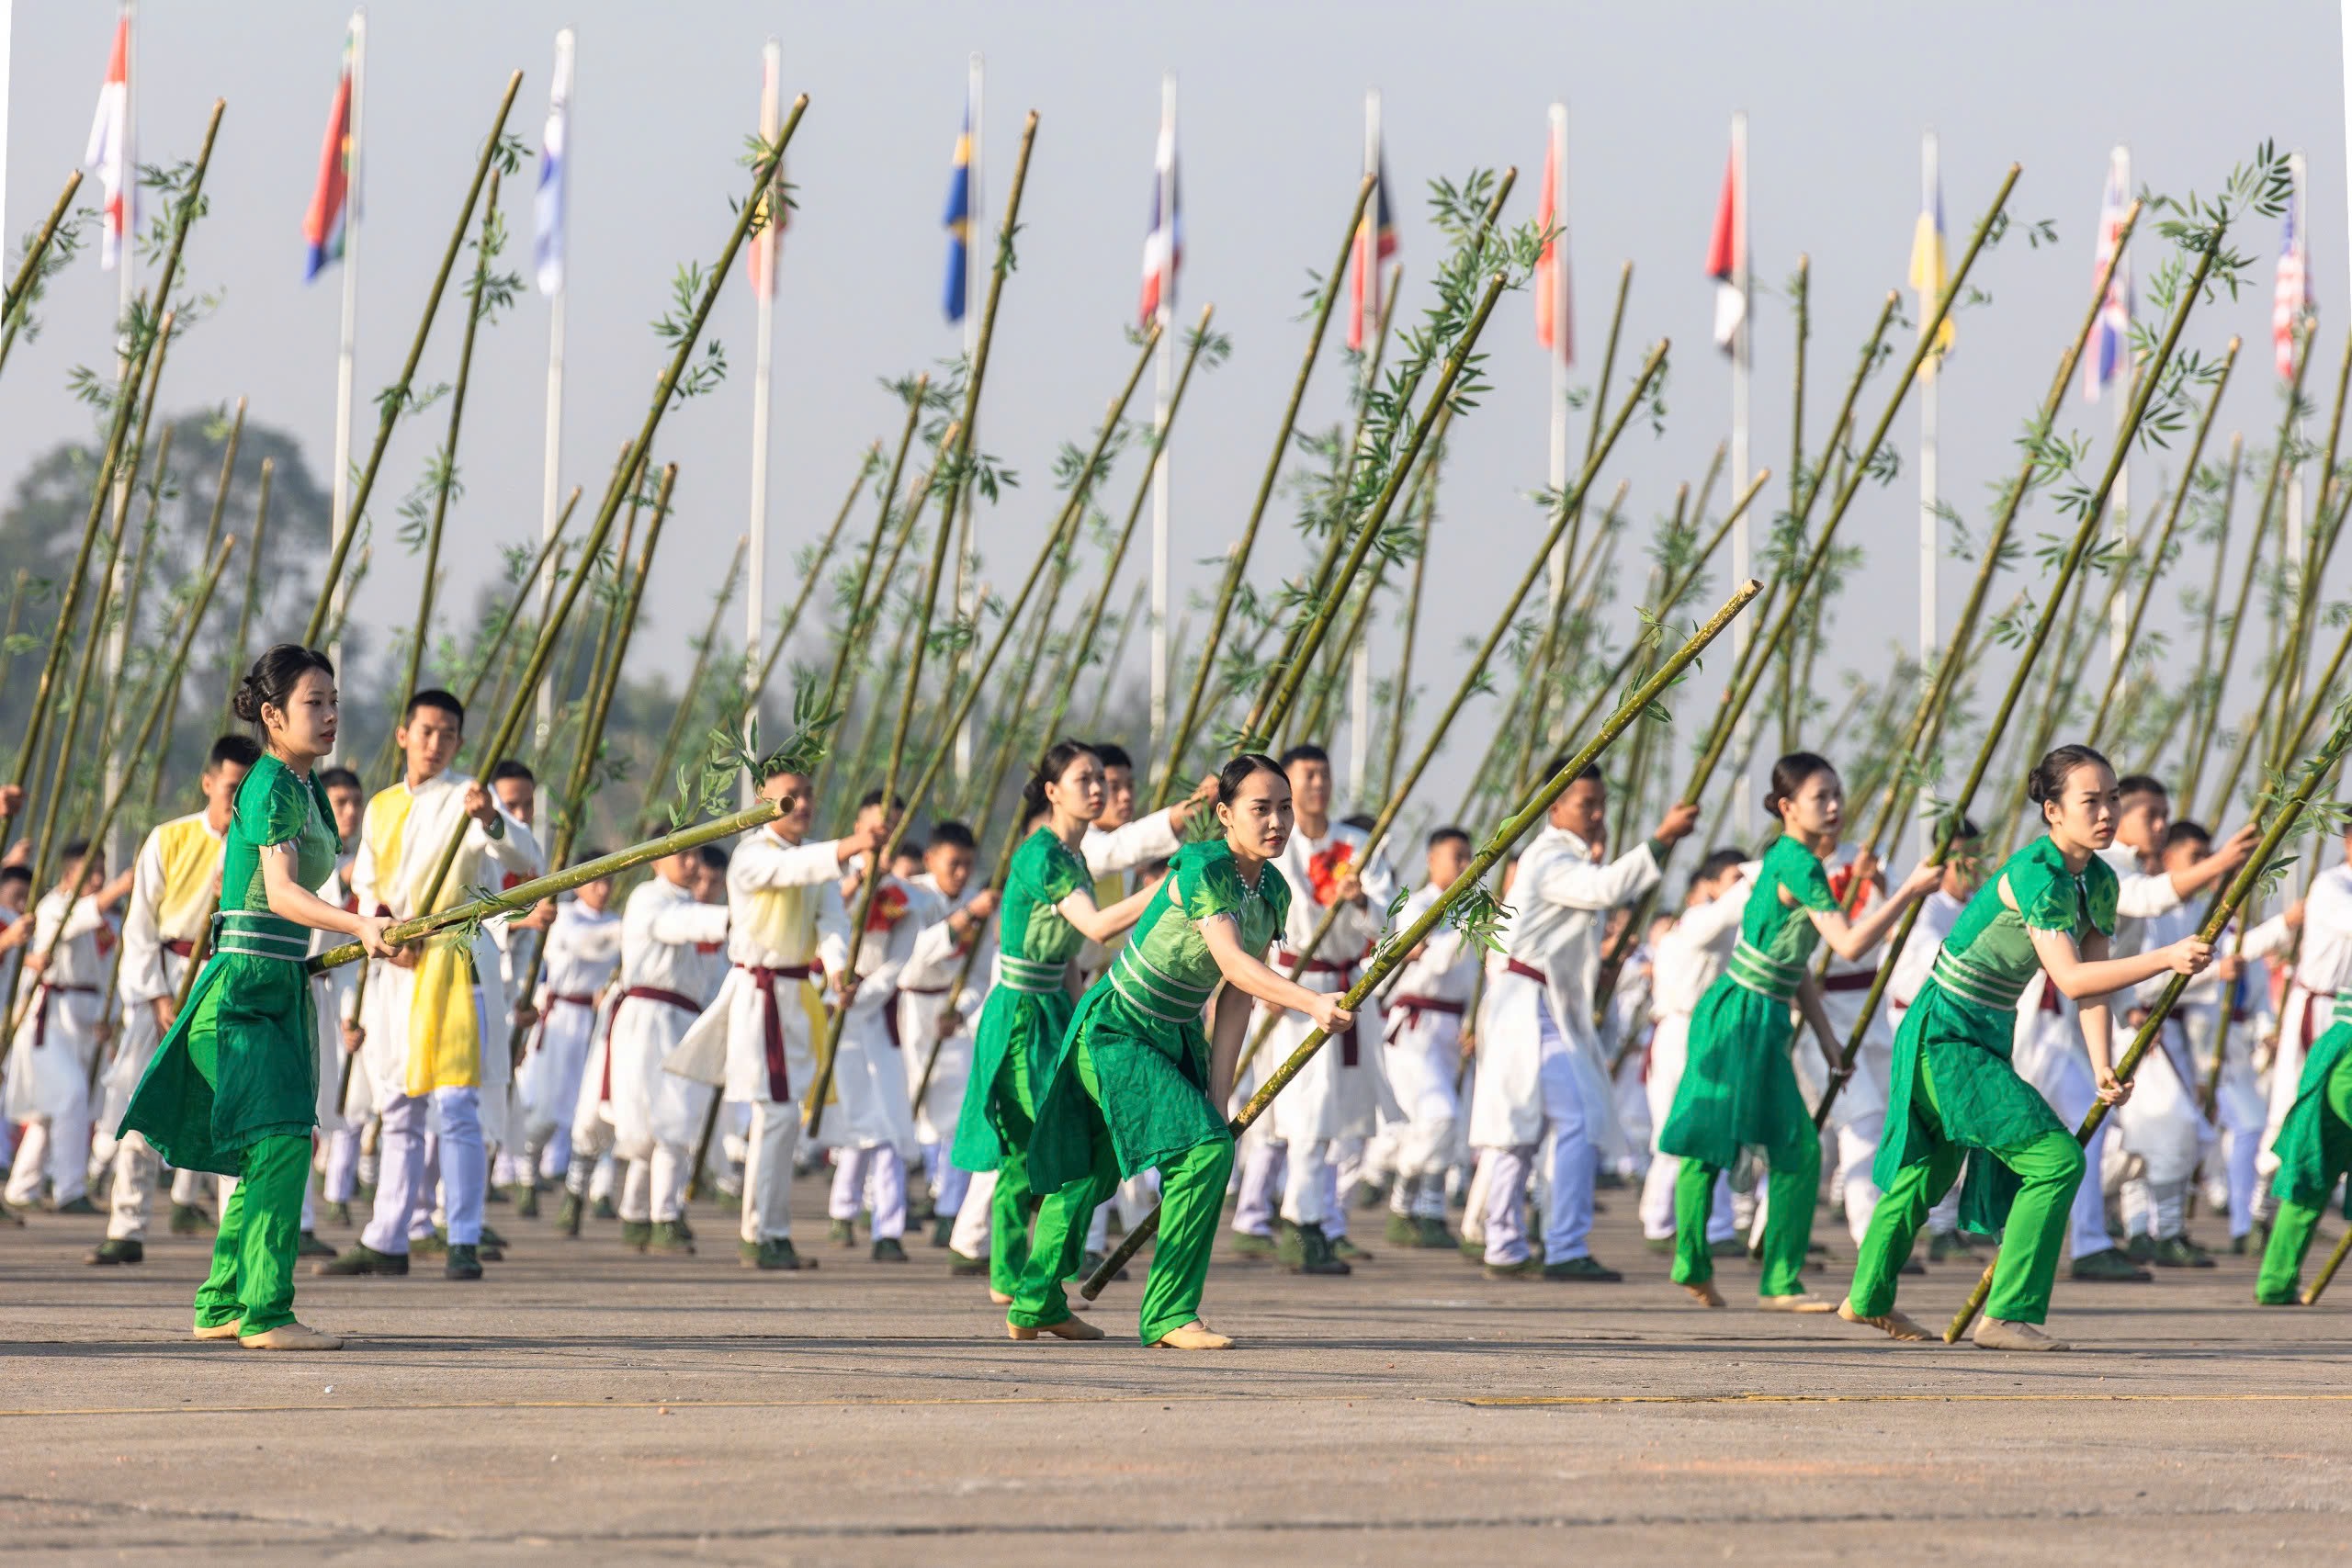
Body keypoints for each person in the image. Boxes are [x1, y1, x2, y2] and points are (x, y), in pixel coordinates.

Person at [1838, 745, 2212, 1350]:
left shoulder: (2099, 880)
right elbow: (2070, 977)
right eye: (2090, 800)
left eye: (2113, 798)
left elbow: (2093, 986)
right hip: (1946, 1033)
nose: (2106, 811)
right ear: (2052, 810)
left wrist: (2101, 1065)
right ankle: (2006, 1314)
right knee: (2057, 1160)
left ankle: (1867, 1298)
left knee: (1927, 1176)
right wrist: (2168, 958)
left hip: (1981, 1035)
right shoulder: (2036, 872)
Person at [1017, 753, 1354, 1348]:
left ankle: (1035, 1301)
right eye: (1260, 809)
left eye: (1284, 808)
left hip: (1172, 1033)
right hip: (1117, 1028)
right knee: (1196, 1156)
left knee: (1100, 1170)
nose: (1276, 821)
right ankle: (1170, 1313)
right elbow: (1232, 962)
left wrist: (1219, 1105)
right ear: (1224, 813)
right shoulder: (1202, 865)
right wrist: (1311, 1003)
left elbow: (1236, 999)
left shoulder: (1273, 888)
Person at [120, 646, 400, 1348]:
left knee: (269, 1146)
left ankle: (220, 1304)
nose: (331, 713)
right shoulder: (272, 783)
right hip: (243, 988)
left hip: (281, 983)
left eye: (335, 700)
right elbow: (278, 893)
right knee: (278, 1140)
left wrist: (372, 917)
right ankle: (267, 1312)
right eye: (315, 702)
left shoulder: (304, 788)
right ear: (272, 716)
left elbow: (304, 898)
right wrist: (360, 924)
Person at [1658, 754, 1941, 1310]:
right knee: (1718, 1140)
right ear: (1787, 807)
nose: (1835, 807)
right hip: (1739, 1013)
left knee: (1793, 1147)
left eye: (1837, 795)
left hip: (1763, 1012)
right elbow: (1850, 945)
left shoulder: (1793, 860)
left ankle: (1769, 1278)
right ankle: (1712, 1265)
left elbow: (1797, 967)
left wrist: (1829, 1041)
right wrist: (1908, 891)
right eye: (1821, 798)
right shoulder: (1797, 864)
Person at [318, 689, 541, 1281]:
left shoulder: (468, 800)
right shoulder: (384, 807)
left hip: (453, 966)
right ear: (403, 735)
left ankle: (462, 1234)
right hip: (396, 966)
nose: (435, 743)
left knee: (456, 1105)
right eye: (426, 731)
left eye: (447, 734)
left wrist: (490, 818)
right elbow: (365, 883)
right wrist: (383, 920)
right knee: (398, 1104)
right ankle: (388, 1235)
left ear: (459, 743)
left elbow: (529, 855)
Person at [1467, 762, 1698, 1280]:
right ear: (1554, 808)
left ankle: (1507, 1245)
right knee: (1567, 1119)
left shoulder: (1567, 858)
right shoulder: (1548, 856)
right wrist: (1661, 839)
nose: (1595, 816)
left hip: (1539, 1005)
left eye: (1600, 805)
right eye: (1583, 805)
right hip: (1525, 1007)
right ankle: (1561, 1244)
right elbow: (1605, 890)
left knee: (1522, 1128)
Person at [949, 743, 1155, 1307]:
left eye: (1101, 781)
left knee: (1050, 1142)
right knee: (1043, 1142)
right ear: (1051, 791)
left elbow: (1068, 960)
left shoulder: (1075, 857)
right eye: (1084, 779)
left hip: (1051, 1006)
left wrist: (1077, 1023)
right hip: (1017, 1014)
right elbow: (1095, 928)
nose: (1098, 790)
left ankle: (1018, 1278)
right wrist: (1164, 888)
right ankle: (1029, 1283)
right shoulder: (1041, 856)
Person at [662, 770, 873, 1268]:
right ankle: (761, 1233)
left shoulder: (816, 857)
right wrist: (851, 847)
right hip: (760, 997)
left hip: (797, 994)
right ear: (763, 802)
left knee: (783, 1117)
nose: (801, 805)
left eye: (807, 795)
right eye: (789, 797)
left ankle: (769, 1232)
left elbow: (831, 920)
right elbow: (792, 871)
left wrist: (839, 968)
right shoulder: (752, 855)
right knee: (774, 1114)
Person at [86, 737, 261, 1264]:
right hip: (167, 975)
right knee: (144, 1103)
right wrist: (159, 996)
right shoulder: (170, 838)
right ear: (209, 783)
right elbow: (139, 927)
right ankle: (127, 1227)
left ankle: (236, 1242)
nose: (237, 800)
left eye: (247, 790)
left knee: (233, 1110)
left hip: (227, 977)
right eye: (232, 788)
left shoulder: (264, 842)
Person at [1239, 745, 1398, 1275]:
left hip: (1343, 986)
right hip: (1291, 986)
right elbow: (1244, 912)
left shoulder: (1357, 844)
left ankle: (1320, 1222)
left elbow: (1387, 920)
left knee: (1335, 1115)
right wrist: (1259, 974)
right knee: (1306, 1107)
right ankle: (1301, 1221)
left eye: (1324, 775)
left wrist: (1357, 901)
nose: (1317, 785)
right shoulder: (1269, 846)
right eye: (1307, 776)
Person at [2118, 820, 2294, 1264]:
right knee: (2146, 1135)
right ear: (2172, 858)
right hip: (2142, 1028)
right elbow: (2151, 977)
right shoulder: (2148, 904)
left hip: (2179, 1035)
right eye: (2196, 858)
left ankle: (2164, 1230)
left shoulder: (2199, 911)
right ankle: (2142, 1229)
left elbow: (2231, 961)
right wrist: (2220, 969)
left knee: (2174, 1134)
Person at [1638, 849, 1752, 1257]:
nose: (1740, 889)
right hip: (1683, 1031)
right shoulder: (1701, 921)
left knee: (1701, 1127)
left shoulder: (1703, 924)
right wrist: (1770, 870)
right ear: (1708, 886)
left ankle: (1691, 1223)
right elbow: (1734, 907)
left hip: (1693, 1030)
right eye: (1733, 879)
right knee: (1685, 1127)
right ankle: (1666, 1222)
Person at [1379, 827, 1478, 1248]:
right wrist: (1471, 926)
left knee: (1452, 1124)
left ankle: (1430, 1212)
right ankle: (1403, 1204)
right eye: (1455, 857)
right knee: (1438, 1115)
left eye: (1468, 858)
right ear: (1432, 860)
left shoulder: (1469, 912)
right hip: (1413, 1027)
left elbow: (1477, 977)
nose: (1464, 866)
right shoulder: (1416, 907)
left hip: (1452, 1031)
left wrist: (1476, 1023)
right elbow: (1437, 964)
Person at [897, 821, 997, 1237]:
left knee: (955, 1113)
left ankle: (948, 1205)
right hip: (906, 1005)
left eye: (967, 866)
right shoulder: (908, 894)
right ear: (931, 859)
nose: (960, 874)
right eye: (953, 864)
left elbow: (980, 971)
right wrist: (961, 920)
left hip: (952, 1013)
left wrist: (963, 1007)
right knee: (902, 1107)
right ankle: (885, 1202)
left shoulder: (979, 901)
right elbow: (912, 957)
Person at [522, 867, 620, 1227]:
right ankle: (527, 1179)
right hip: (561, 1018)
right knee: (547, 1110)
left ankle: (586, 1193)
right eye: (596, 880)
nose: (603, 888)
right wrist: (634, 929)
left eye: (609, 880)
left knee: (596, 1110)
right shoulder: (563, 916)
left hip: (597, 1023)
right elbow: (587, 945)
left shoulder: (614, 921)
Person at [2254, 1013, 2352, 1304]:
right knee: (2310, 1173)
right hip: (2345, 1048)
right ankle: (2276, 1282)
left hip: (2338, 1043)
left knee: (2312, 1177)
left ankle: (2276, 1283)